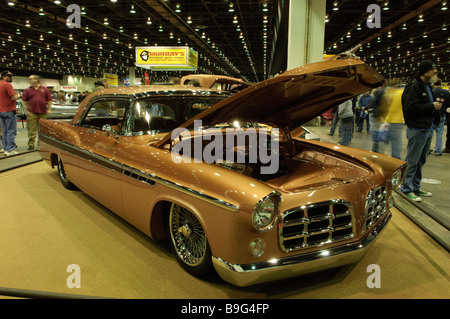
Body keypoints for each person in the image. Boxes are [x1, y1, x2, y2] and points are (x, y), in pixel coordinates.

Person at [400, 60, 442, 202]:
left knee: (421, 161)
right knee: (412, 160)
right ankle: (406, 188)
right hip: (417, 129)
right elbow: (410, 108)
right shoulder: (414, 87)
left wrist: (435, 121)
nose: (435, 72)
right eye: (433, 69)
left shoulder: (427, 86)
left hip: (428, 128)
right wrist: (431, 106)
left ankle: (415, 186)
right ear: (425, 71)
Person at [21, 75, 53, 150]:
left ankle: (42, 143)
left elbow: (49, 99)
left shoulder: (44, 89)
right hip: (31, 113)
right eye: (29, 79)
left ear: (37, 80)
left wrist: (49, 109)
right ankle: (31, 144)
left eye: (31, 79)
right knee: (32, 129)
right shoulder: (27, 90)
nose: (30, 81)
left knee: (42, 129)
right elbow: (23, 101)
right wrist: (26, 110)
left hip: (43, 112)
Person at [0, 70, 21, 156]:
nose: (11, 78)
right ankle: (10, 149)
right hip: (9, 110)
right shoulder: (8, 85)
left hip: (1, 111)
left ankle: (5, 148)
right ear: (3, 76)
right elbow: (13, 97)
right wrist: (19, 95)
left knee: (4, 131)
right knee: (11, 131)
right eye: (9, 76)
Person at [384, 87, 404, 159]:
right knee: (396, 141)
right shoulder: (402, 92)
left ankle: (378, 158)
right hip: (398, 121)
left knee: (381, 141)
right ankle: (396, 159)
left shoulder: (387, 92)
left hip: (386, 120)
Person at [431, 79, 450, 156]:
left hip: (431, 114)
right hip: (442, 114)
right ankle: (438, 151)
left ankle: (427, 149)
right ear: (441, 84)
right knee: (440, 133)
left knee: (429, 132)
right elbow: (448, 103)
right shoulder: (446, 92)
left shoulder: (431, 91)